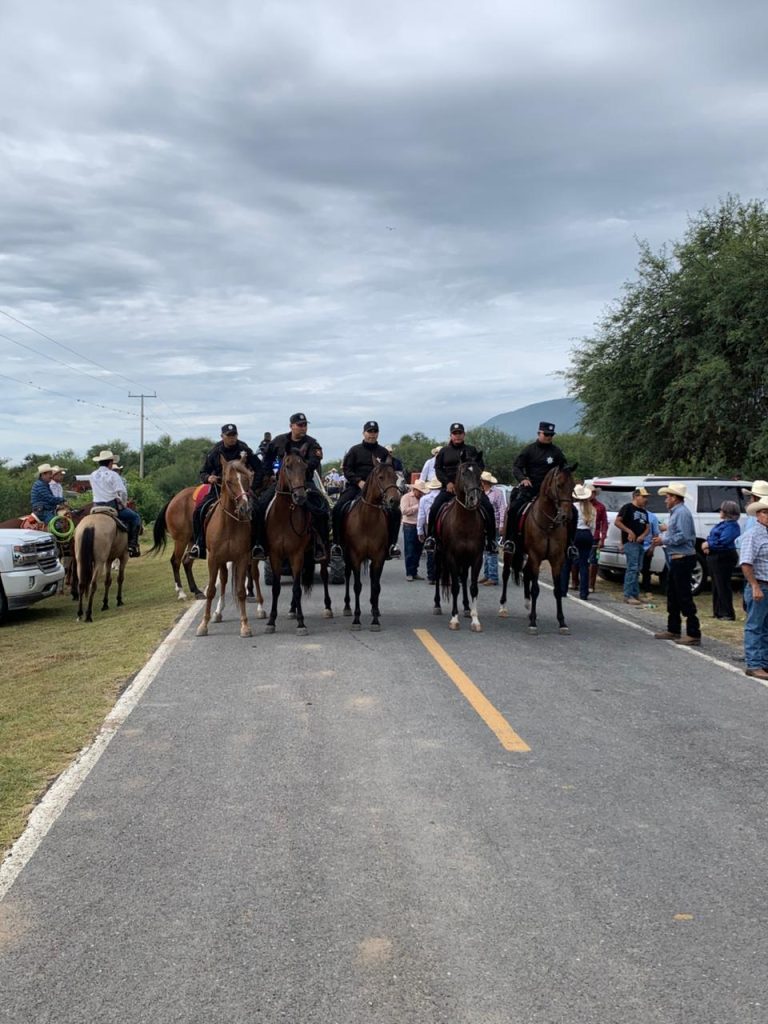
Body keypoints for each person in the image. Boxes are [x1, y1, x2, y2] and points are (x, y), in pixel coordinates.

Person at [253, 413, 329, 561]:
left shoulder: (312, 443)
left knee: (321, 508)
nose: (303, 428)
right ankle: (259, 544)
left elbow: (314, 461)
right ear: (291, 426)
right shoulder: (278, 441)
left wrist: (300, 468)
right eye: (300, 425)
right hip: (281, 484)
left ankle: (320, 544)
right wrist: (269, 474)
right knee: (260, 506)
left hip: (304, 482)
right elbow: (267, 460)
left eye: (305, 425)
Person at [190, 424, 263, 560]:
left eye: (234, 435)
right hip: (219, 490)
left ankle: (257, 545)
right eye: (229, 435)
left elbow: (259, 469)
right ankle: (199, 544)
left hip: (242, 490)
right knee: (199, 511)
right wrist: (208, 478)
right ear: (222, 436)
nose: (232, 438)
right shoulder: (215, 452)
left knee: (258, 510)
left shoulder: (245, 449)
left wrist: (252, 488)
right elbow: (203, 472)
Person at [423, 423, 497, 554]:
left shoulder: (472, 450)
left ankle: (491, 540)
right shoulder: (444, 451)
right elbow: (438, 469)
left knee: (488, 507)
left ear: (464, 434)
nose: (457, 436)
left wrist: (473, 479)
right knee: (434, 507)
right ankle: (431, 538)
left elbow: (480, 466)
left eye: (460, 433)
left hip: (470, 488)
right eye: (455, 433)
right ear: (451, 435)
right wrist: (447, 483)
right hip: (450, 489)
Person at [331, 421, 401, 558]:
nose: (372, 434)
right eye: (369, 432)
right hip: (356, 486)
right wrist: (358, 481)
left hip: (379, 490)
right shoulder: (354, 450)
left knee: (395, 512)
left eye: (375, 432)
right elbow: (347, 469)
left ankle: (392, 545)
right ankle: (337, 544)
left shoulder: (383, 452)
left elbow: (389, 471)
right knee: (338, 508)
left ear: (378, 434)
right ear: (364, 433)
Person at [503, 421, 568, 553]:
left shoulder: (556, 452)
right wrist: (523, 479)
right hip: (531, 489)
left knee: (572, 511)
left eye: (551, 435)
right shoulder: (529, 450)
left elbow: (564, 468)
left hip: (551, 492)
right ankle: (510, 540)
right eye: (546, 434)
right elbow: (516, 467)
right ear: (539, 433)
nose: (548, 437)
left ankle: (570, 545)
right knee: (514, 509)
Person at [651, 483, 701, 645]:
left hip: (683, 558)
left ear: (674, 498)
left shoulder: (682, 513)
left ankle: (693, 632)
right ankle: (673, 628)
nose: (665, 500)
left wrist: (663, 540)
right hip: (676, 558)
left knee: (683, 595)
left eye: (667, 497)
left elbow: (683, 536)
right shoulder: (676, 513)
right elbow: (676, 532)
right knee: (673, 594)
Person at [90, 449, 142, 556]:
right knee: (135, 518)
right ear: (110, 463)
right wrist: (123, 503)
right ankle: (132, 544)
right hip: (111, 506)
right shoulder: (113, 475)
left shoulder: (92, 475)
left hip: (96, 506)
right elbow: (122, 492)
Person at [738, 496, 768, 679]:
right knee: (755, 626)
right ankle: (754, 664)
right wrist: (754, 585)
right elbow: (746, 563)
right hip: (760, 584)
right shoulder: (753, 535)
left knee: (765, 627)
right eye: (765, 512)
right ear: (758, 515)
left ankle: (764, 662)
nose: (767, 516)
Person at [702, 500, 741, 620]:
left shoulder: (732, 526)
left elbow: (724, 541)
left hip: (724, 557)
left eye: (722, 509)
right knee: (716, 584)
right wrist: (708, 543)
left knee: (722, 584)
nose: (720, 511)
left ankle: (727, 613)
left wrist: (709, 545)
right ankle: (718, 611)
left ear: (727, 512)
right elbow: (711, 536)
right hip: (715, 556)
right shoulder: (722, 524)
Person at [615, 486, 650, 605]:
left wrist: (643, 535)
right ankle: (628, 595)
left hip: (640, 543)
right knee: (632, 568)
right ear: (636, 496)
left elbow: (647, 527)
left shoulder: (644, 512)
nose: (645, 499)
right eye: (643, 497)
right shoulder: (628, 508)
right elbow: (617, 522)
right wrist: (629, 531)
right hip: (630, 543)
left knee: (637, 569)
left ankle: (635, 594)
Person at [479, 472, 506, 585]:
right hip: (481, 525)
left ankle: (493, 577)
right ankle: (487, 574)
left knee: (492, 549)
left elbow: (502, 508)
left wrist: (501, 525)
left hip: (493, 524)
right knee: (485, 550)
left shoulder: (497, 493)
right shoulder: (479, 493)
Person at [571, 484, 597, 599]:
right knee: (584, 564)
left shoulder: (573, 506)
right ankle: (584, 592)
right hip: (587, 534)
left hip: (575, 533)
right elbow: (593, 526)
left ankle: (563, 587)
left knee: (569, 560)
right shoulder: (592, 508)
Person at [401, 479, 428, 580]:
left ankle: (414, 571)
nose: (421, 493)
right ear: (415, 490)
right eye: (420, 491)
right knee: (410, 550)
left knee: (418, 550)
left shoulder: (423, 498)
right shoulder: (406, 497)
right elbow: (404, 511)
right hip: (409, 525)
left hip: (420, 526)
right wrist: (418, 506)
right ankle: (409, 572)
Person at [417, 478, 443, 582]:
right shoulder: (445, 497)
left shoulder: (424, 499)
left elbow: (421, 517)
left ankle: (431, 575)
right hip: (443, 525)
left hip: (430, 526)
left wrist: (420, 531)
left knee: (431, 550)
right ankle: (442, 574)